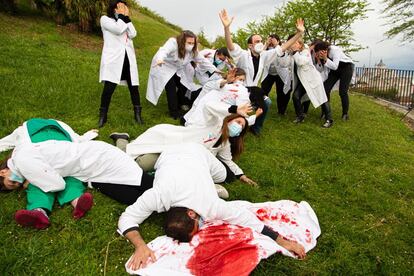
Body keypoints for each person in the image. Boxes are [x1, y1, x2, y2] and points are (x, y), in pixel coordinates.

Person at [117, 143, 306, 271]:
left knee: (223, 175)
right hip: (169, 155)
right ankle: (213, 185)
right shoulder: (158, 196)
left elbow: (247, 219)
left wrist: (281, 241)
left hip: (198, 151)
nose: (202, 224)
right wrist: (140, 246)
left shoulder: (210, 206)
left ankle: (218, 177)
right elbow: (127, 218)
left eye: (198, 225)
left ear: (191, 213)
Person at [120, 101, 260, 186]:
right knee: (137, 162)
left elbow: (228, 161)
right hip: (170, 141)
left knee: (142, 165)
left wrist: (241, 175)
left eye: (242, 128)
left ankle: (128, 143)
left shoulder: (225, 144)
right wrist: (234, 109)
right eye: (238, 122)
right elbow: (208, 106)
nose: (239, 127)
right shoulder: (214, 122)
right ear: (230, 119)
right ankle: (121, 140)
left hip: (178, 157)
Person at [0, 118, 100, 229]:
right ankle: (39, 212)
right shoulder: (24, 165)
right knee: (37, 184)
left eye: (12, 181)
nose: (18, 182)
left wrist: (85, 137)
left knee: (70, 174)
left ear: (3, 172)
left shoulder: (24, 133)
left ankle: (77, 201)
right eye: (17, 184)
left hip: (59, 152)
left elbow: (8, 141)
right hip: (44, 162)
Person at [219, 9, 305, 135]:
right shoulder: (243, 55)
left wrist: (298, 34)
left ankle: (256, 127)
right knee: (240, 110)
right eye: (256, 41)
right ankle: (234, 127)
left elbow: (283, 47)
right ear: (250, 45)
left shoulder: (264, 56)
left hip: (253, 89)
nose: (260, 43)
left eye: (261, 41)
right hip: (239, 89)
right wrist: (227, 28)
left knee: (267, 102)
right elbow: (230, 46)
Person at [146, 30, 217, 119]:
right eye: (189, 42)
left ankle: (179, 103)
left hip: (176, 68)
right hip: (163, 66)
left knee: (184, 85)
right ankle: (174, 113)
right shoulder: (173, 43)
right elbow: (164, 51)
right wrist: (160, 59)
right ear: (182, 40)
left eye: (192, 43)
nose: (191, 45)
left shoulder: (192, 50)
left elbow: (202, 60)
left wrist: (215, 70)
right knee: (171, 89)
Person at [98, 0, 143, 127]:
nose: (124, 9)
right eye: (121, 7)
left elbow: (133, 34)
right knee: (109, 88)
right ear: (114, 9)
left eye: (125, 7)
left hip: (127, 58)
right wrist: (123, 17)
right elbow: (118, 30)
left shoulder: (124, 20)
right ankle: (103, 116)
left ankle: (138, 115)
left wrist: (127, 17)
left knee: (134, 87)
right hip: (114, 59)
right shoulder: (105, 20)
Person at [289, 36, 333, 128]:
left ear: (300, 44)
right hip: (304, 81)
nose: (292, 44)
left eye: (295, 43)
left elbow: (300, 62)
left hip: (313, 80)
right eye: (292, 43)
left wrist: (294, 52)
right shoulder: (295, 53)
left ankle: (329, 120)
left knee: (322, 98)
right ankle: (300, 116)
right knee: (296, 96)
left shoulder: (305, 52)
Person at [313, 41, 354, 120]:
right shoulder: (320, 55)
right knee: (325, 89)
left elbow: (335, 66)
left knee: (343, 91)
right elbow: (321, 70)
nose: (318, 54)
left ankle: (345, 114)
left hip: (346, 67)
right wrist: (318, 60)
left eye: (319, 52)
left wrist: (325, 58)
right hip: (334, 70)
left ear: (325, 50)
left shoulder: (335, 50)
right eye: (317, 53)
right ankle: (325, 112)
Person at [261, 34, 292, 115]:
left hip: (280, 74)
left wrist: (276, 45)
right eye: (270, 40)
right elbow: (260, 55)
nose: (271, 41)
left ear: (278, 41)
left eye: (274, 40)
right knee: (263, 90)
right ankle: (262, 107)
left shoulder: (282, 48)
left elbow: (283, 62)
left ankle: (281, 110)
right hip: (269, 73)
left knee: (281, 93)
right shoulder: (266, 49)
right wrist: (266, 44)